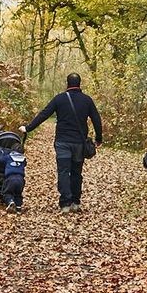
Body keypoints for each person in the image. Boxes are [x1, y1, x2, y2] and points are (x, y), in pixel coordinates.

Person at [20, 73, 103, 214]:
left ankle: (65, 204)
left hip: (62, 142)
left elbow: (44, 114)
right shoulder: (87, 100)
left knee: (63, 172)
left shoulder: (59, 99)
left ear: (67, 83)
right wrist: (99, 138)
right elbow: (96, 119)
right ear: (79, 84)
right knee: (76, 172)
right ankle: (75, 202)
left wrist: (28, 128)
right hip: (79, 143)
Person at [0, 141, 26, 214]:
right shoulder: (23, 159)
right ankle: (18, 207)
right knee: (18, 194)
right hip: (20, 179)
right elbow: (25, 164)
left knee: (7, 192)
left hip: (10, 178)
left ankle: (10, 202)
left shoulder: (8, 157)